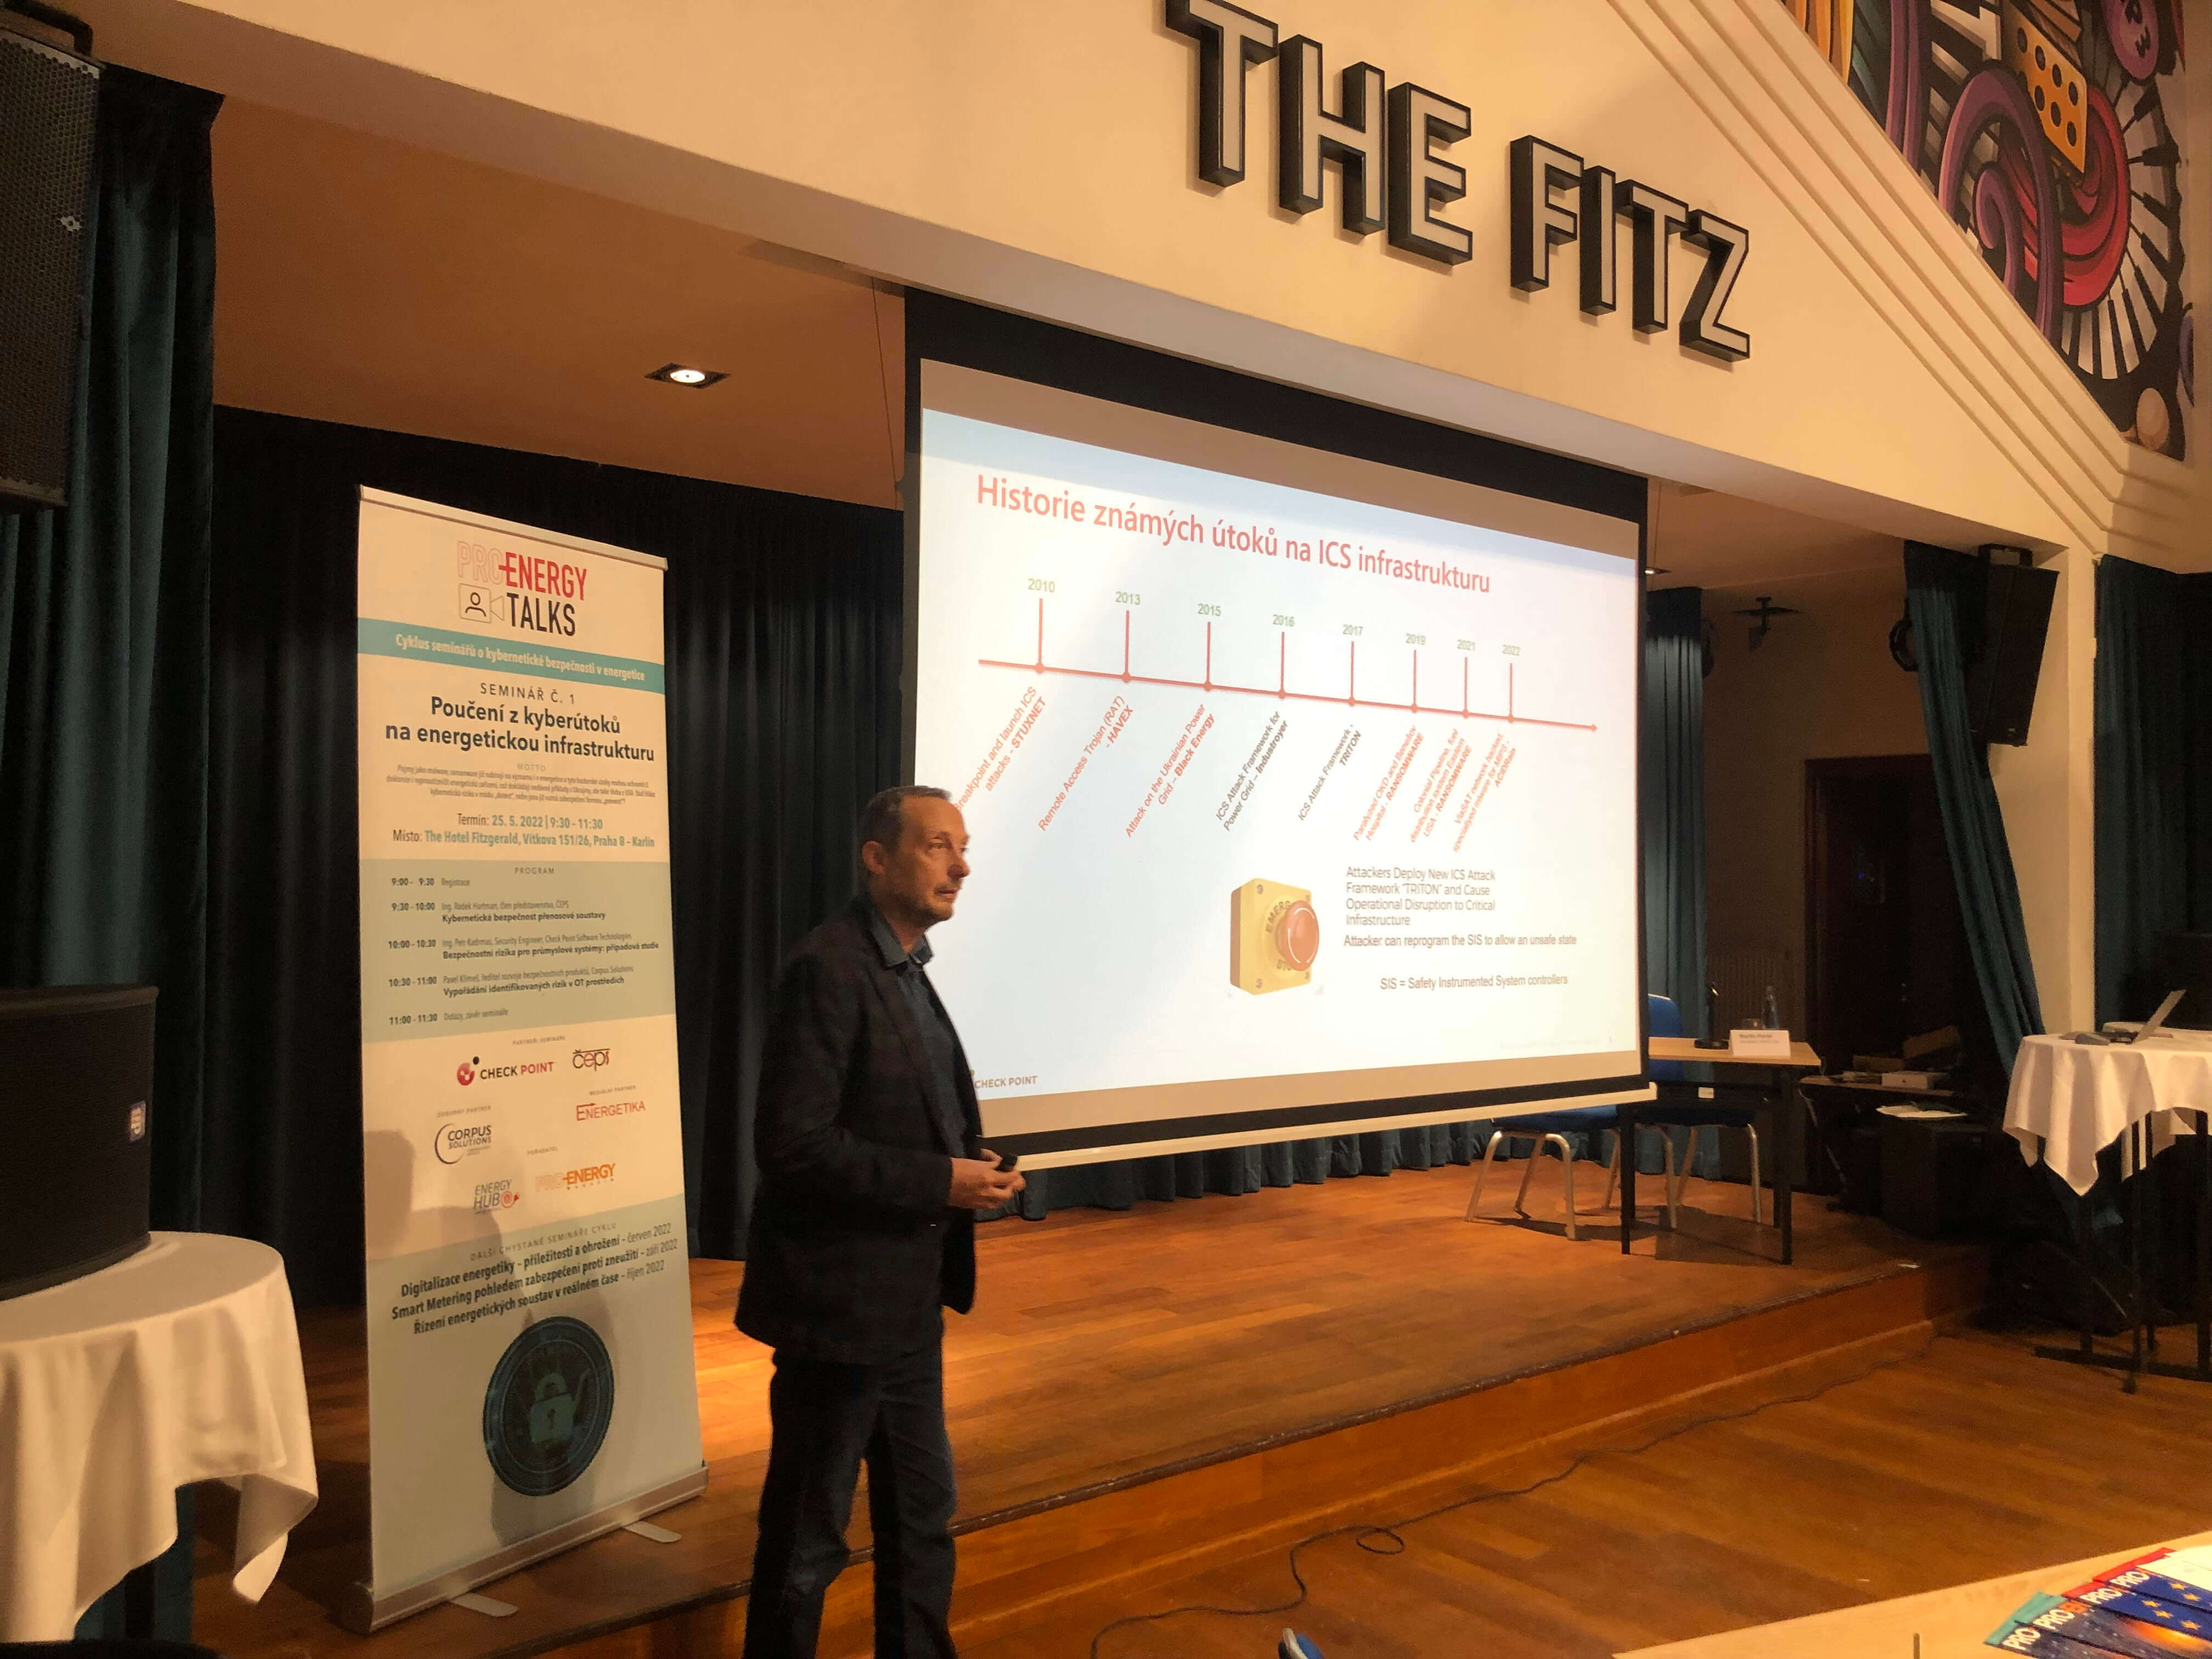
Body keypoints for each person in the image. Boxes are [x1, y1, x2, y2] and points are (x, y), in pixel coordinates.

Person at [737, 783, 1024, 1659]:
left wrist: (970, 1166)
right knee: (807, 1542)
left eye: (964, 848)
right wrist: (940, 1181)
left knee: (922, 1523)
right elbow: (793, 1145)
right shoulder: (829, 968)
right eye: (939, 846)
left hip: (906, 1311)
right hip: (838, 1316)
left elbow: (904, 1118)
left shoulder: (904, 970)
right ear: (876, 857)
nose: (961, 867)